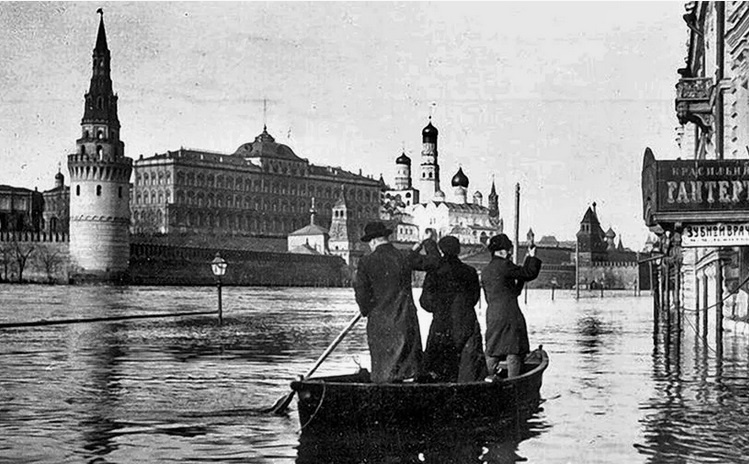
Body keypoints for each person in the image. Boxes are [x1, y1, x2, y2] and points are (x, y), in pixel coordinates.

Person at [353, 222, 440, 383]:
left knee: (383, 371)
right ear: (386, 237)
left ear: (373, 241)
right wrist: (429, 242)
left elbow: (362, 295)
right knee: (408, 369)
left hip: (379, 325)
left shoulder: (366, 261)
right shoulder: (403, 257)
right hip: (405, 321)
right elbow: (434, 262)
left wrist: (366, 310)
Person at [419, 236, 488, 383]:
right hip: (466, 324)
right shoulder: (470, 271)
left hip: (441, 324)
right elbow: (474, 298)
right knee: (468, 368)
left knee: (438, 369)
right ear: (459, 250)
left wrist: (439, 308)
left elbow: (425, 302)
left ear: (441, 250)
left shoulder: (434, 272)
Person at [481, 233, 542, 379]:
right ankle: (513, 383)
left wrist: (525, 264)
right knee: (514, 352)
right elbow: (529, 273)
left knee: (493, 350)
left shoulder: (486, 270)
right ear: (503, 251)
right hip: (510, 314)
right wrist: (531, 257)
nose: (510, 253)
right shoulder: (505, 265)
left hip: (493, 315)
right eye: (509, 250)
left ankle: (485, 381)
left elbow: (514, 291)